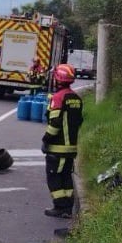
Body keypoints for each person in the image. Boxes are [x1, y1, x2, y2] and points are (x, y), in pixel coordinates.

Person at [42, 63, 83, 218]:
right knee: (66, 176)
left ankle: (60, 206)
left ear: (58, 78)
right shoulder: (77, 99)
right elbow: (79, 121)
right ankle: (68, 206)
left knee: (54, 176)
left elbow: (55, 124)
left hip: (57, 148)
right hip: (71, 147)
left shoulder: (58, 98)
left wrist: (46, 140)